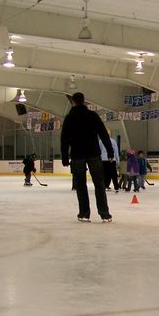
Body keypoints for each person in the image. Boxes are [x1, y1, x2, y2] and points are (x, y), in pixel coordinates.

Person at [60, 92, 113, 223]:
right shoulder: (93, 115)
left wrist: (65, 157)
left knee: (80, 185)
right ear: (84, 101)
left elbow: (64, 139)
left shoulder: (70, 118)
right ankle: (105, 214)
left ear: (73, 102)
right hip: (94, 153)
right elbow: (104, 134)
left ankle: (84, 214)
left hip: (77, 155)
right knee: (99, 184)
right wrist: (110, 151)